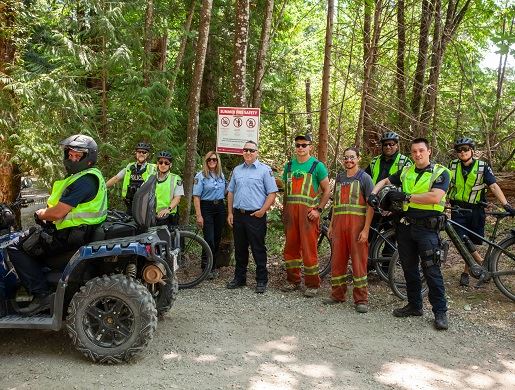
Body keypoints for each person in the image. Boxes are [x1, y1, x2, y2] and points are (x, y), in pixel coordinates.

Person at [5, 134, 107, 315]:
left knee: (15, 247)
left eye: (78, 156)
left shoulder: (85, 180)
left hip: (69, 236)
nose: (72, 158)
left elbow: (59, 212)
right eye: (70, 154)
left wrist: (41, 213)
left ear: (88, 158)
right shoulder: (88, 176)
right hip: (76, 232)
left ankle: (41, 294)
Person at [368, 138, 450, 330]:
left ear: (429, 151)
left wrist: (406, 197)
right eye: (414, 151)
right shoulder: (407, 171)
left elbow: (435, 196)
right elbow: (386, 180)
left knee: (431, 268)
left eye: (421, 150)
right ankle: (415, 305)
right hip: (405, 226)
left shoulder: (440, 172)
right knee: (408, 267)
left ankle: (440, 311)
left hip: (427, 228)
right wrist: (373, 193)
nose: (417, 154)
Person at [448, 137, 515, 286]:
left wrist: (505, 205)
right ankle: (482, 264)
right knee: (460, 240)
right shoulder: (452, 166)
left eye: (465, 149)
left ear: (472, 150)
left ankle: (467, 271)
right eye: (459, 150)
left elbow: (493, 186)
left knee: (471, 241)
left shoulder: (482, 166)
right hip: (458, 208)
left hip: (476, 210)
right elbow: (445, 185)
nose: (462, 152)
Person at [325, 147, 374, 312]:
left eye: (352, 157)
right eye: (346, 158)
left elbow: (370, 206)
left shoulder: (365, 178)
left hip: (357, 227)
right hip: (339, 227)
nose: (348, 160)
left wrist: (366, 230)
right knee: (338, 261)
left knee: (359, 262)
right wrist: (331, 226)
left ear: (358, 159)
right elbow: (335, 205)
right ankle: (337, 295)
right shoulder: (339, 178)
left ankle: (361, 299)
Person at [281, 134, 330, 297]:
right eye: (298, 145)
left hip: (308, 215)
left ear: (310, 146)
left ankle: (312, 284)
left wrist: (319, 210)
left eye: (304, 145)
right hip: (291, 214)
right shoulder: (288, 166)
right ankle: (293, 281)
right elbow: (285, 192)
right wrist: (284, 212)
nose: (300, 148)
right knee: (290, 248)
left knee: (309, 250)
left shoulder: (317, 166)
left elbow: (327, 190)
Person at [226, 141, 278, 294]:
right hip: (239, 215)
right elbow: (231, 192)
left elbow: (272, 193)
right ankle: (239, 278)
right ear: (242, 152)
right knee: (240, 249)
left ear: (257, 152)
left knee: (258, 248)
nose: (248, 152)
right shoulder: (237, 170)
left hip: (256, 215)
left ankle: (261, 280)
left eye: (251, 150)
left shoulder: (264, 170)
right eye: (245, 150)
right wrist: (230, 213)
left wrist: (263, 210)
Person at [193, 151, 227, 279]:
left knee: (217, 239)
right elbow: (196, 197)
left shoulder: (221, 175)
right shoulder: (200, 176)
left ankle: (212, 267)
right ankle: (206, 266)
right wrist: (199, 215)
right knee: (209, 239)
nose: (212, 161)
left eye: (214, 159)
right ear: (206, 161)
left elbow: (226, 191)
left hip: (220, 207)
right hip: (206, 207)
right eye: (209, 160)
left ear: (218, 161)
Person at [106, 142, 156, 215]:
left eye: (144, 152)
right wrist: (103, 187)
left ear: (147, 154)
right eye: (139, 152)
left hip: (144, 205)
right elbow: (116, 178)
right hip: (130, 204)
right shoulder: (129, 167)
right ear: (136, 153)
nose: (141, 154)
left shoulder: (152, 168)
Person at [154, 151, 184, 227]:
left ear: (170, 165)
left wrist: (168, 209)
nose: (163, 165)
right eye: (161, 162)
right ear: (157, 164)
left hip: (169, 216)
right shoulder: (151, 178)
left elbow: (177, 198)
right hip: (152, 215)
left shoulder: (176, 179)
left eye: (166, 163)